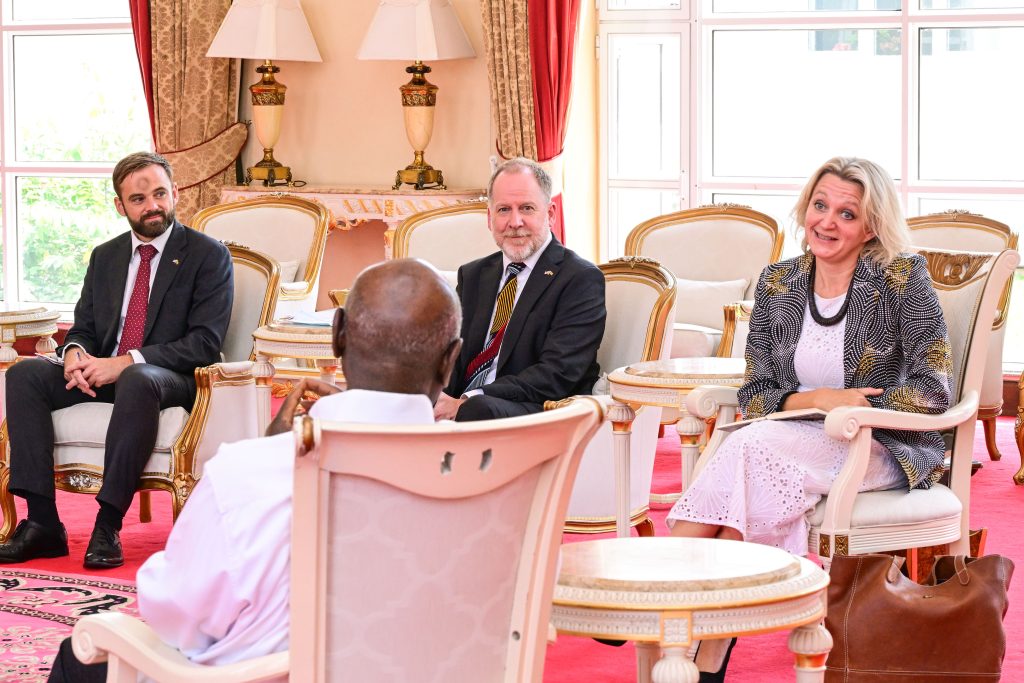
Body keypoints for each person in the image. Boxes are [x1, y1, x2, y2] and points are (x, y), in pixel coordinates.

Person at [46, 258, 463, 682]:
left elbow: (177, 615)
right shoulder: (491, 476)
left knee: (78, 657)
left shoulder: (253, 472)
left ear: (337, 335)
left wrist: (271, 451)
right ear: (450, 360)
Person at [666, 157, 952, 680]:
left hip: (880, 444)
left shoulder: (902, 278)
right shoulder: (779, 282)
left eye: (847, 213)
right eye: (820, 205)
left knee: (746, 449)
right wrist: (819, 398)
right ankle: (708, 657)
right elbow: (756, 391)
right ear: (805, 208)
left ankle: (659, 585)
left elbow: (935, 389)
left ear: (871, 226)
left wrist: (861, 407)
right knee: (752, 455)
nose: (827, 221)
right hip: (790, 437)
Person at [0, 151, 233, 570]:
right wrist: (74, 354)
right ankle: (42, 524)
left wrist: (124, 362)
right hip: (108, 372)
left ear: (175, 193)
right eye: (139, 198)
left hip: (171, 378)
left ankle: (107, 525)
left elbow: (204, 342)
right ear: (120, 205)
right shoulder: (105, 256)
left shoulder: (207, 255)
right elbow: (84, 327)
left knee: (138, 378)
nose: (153, 206)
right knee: (25, 374)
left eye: (160, 194)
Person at [433, 157, 606, 422]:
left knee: (478, 410)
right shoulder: (474, 275)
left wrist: (469, 400)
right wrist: (436, 396)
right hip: (468, 404)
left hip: (538, 409)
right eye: (503, 210)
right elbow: (452, 354)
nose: (515, 222)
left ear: (550, 214)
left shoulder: (580, 279)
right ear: (490, 218)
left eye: (526, 208)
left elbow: (557, 373)